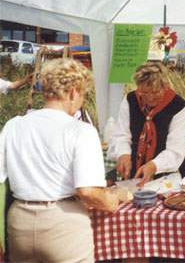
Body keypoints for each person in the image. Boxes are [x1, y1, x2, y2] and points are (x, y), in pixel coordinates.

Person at [0, 58, 122, 262]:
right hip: (63, 221)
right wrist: (112, 200)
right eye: (83, 94)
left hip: (20, 220)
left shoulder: (14, 125)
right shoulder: (81, 131)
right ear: (74, 92)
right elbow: (88, 191)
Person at [108, 61, 185, 186]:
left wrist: (154, 165)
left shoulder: (179, 107)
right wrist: (123, 154)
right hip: (136, 172)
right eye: (144, 92)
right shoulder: (130, 100)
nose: (150, 98)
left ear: (166, 86)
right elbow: (121, 134)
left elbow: (175, 150)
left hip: (168, 176)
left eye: (155, 92)